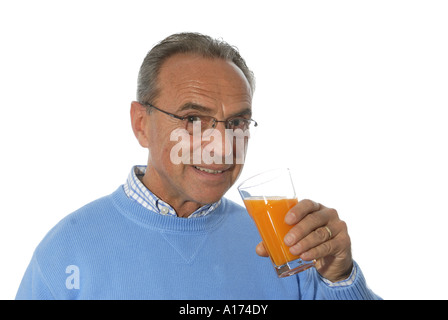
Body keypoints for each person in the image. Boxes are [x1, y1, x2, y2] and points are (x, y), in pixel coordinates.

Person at [16, 32, 380, 300]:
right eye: (192, 119)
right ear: (141, 123)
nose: (221, 146)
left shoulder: (287, 247)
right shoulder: (68, 249)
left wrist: (339, 277)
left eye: (237, 122)